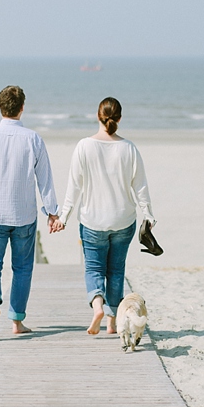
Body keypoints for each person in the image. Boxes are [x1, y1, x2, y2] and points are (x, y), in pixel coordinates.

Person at [0, 85, 60, 340]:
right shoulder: (33, 139)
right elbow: (45, 180)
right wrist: (52, 212)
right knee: (23, 267)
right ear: (22, 108)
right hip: (24, 215)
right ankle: (16, 321)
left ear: (0, 107)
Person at [53, 97, 156, 335]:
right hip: (123, 220)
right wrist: (148, 214)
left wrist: (63, 216)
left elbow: (74, 187)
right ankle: (112, 321)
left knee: (94, 269)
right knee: (116, 270)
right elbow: (140, 187)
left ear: (97, 116)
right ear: (119, 118)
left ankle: (97, 307)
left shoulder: (84, 146)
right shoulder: (129, 148)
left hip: (93, 221)